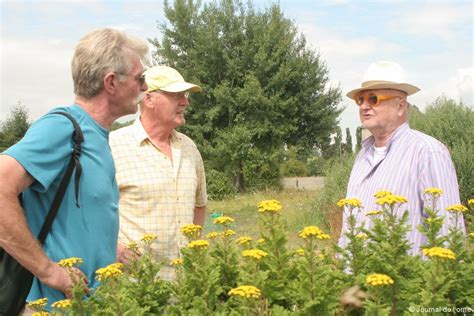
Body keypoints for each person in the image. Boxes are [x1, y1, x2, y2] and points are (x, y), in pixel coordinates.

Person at [0, 28, 149, 308]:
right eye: (140, 78)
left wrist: (107, 251)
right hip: (51, 306)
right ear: (111, 82)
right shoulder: (63, 127)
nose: (145, 87)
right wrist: (49, 271)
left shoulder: (97, 135)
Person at [338, 61, 465, 255]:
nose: (364, 106)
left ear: (400, 106)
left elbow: (448, 232)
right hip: (354, 281)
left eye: (374, 98)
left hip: (405, 283)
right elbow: (349, 225)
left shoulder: (428, 152)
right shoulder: (362, 156)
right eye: (360, 99)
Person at [110, 65, 207, 280]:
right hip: (135, 285)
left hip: (186, 281)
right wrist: (114, 249)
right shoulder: (113, 146)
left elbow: (199, 205)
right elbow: (88, 212)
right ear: (148, 99)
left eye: (185, 95)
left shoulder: (189, 147)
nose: (185, 102)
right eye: (175, 95)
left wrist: (194, 246)